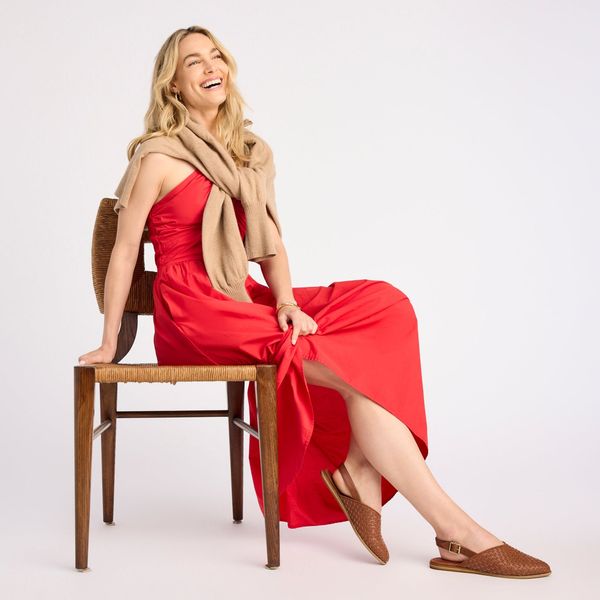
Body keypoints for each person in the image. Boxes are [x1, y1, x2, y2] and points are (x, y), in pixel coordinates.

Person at [78, 25, 551, 578]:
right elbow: (124, 252)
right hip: (195, 312)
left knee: (384, 305)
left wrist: (284, 302)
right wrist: (109, 341)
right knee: (346, 368)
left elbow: (270, 242)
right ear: (173, 85)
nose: (210, 67)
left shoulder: (248, 155)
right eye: (193, 62)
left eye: (216, 56)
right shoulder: (157, 157)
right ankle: (456, 532)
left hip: (243, 297)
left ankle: (361, 470)